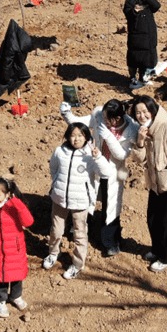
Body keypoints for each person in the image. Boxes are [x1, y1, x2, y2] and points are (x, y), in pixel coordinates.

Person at [60, 99, 139, 257]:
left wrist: (108, 137)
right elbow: (79, 122)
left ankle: (110, 241)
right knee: (85, 197)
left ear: (116, 119)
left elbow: (122, 154)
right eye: (102, 116)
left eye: (106, 118)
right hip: (94, 165)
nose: (102, 120)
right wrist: (67, 113)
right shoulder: (99, 117)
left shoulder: (131, 129)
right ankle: (77, 228)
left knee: (111, 206)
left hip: (113, 171)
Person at [129, 95, 167, 273]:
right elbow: (139, 159)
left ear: (153, 110)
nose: (142, 115)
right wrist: (140, 142)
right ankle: (157, 250)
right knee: (153, 219)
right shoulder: (145, 130)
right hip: (155, 184)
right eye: (138, 112)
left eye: (145, 111)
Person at [43, 123, 109, 280]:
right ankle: (53, 253)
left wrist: (98, 157)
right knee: (56, 230)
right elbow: (53, 168)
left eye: (80, 135)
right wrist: (57, 184)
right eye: (73, 135)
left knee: (80, 234)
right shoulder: (60, 151)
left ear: (86, 137)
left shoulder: (91, 155)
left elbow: (106, 173)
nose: (76, 138)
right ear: (67, 136)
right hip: (59, 199)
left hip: (80, 201)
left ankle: (78, 264)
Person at [0, 178, 33, 317]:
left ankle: (16, 296)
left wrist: (17, 203)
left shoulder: (14, 207)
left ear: (8, 194)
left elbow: (28, 222)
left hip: (16, 250)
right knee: (1, 278)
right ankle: (0, 301)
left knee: (17, 275)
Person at [123, 0, 160, 90]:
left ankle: (143, 76)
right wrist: (134, 11)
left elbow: (156, 7)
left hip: (149, 33)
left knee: (146, 57)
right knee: (135, 57)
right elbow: (127, 13)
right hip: (136, 34)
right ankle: (133, 79)